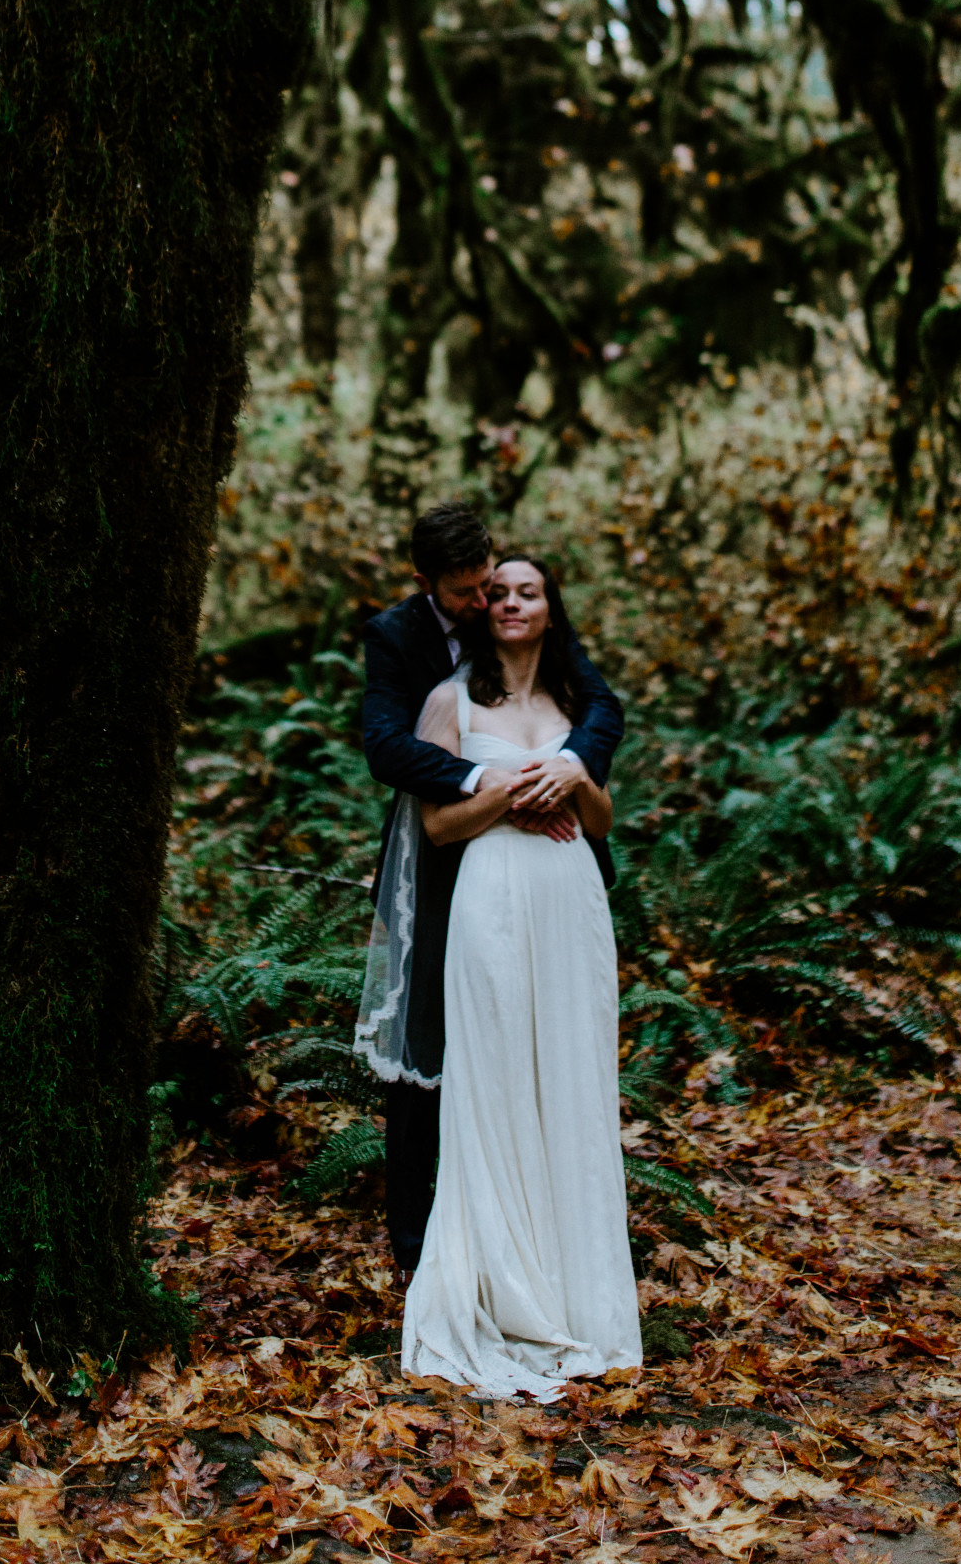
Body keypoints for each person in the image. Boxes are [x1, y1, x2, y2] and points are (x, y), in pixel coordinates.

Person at [394, 554, 640, 1397]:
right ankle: (499, 1288)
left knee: (571, 1079)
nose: (509, 602)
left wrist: (574, 775)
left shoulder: (578, 705)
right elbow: (437, 827)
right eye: (496, 593)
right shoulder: (449, 700)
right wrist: (509, 794)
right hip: (492, 894)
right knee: (494, 1078)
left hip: (570, 899)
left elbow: (602, 818)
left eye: (526, 591)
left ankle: (579, 1289)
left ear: (550, 606)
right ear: (478, 608)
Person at [358, 502, 624, 1277]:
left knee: (550, 1042)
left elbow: (602, 708)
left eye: (499, 585)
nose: (490, 603)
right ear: (427, 582)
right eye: (473, 593)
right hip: (450, 868)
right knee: (429, 1047)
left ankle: (554, 1229)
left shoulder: (532, 632)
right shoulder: (398, 638)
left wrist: (573, 766)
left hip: (558, 876)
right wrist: (500, 782)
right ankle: (422, 1247)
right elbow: (386, 748)